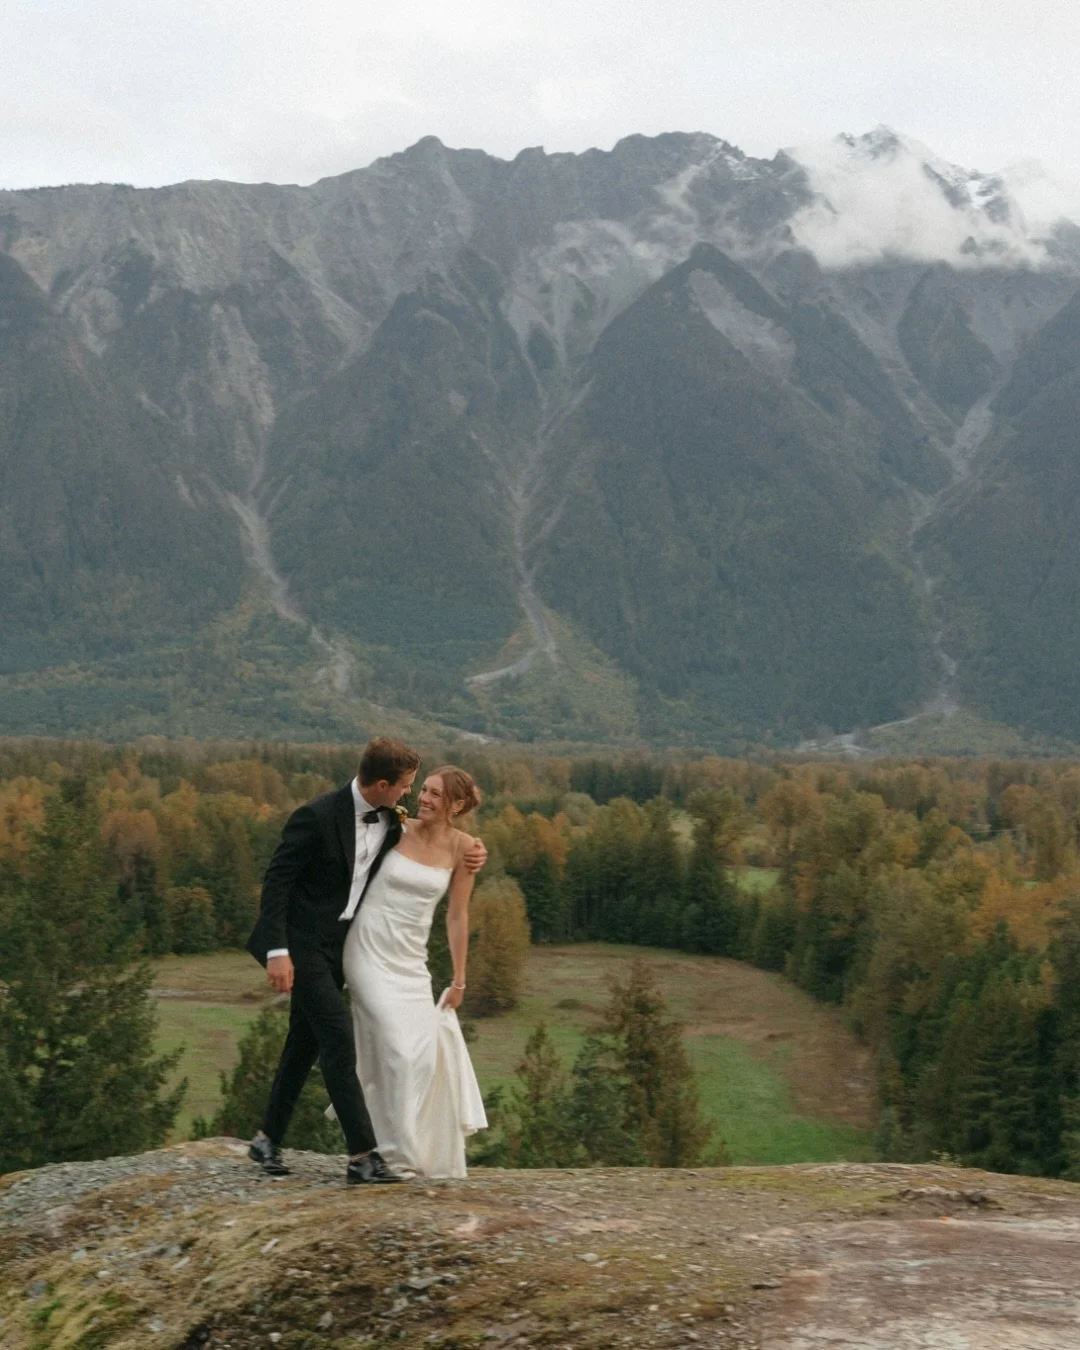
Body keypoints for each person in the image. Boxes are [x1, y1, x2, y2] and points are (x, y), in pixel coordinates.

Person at [245, 737, 486, 1183]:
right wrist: (277, 951)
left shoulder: (395, 823)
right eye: (409, 787)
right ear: (380, 784)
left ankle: (266, 1139)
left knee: (303, 1042)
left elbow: (447, 880)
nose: (411, 796)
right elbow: (276, 882)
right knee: (338, 1037)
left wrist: (472, 850)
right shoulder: (316, 816)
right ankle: (363, 1157)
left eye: (426, 790)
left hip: (347, 945)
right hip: (305, 946)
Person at [343, 765, 487, 1178]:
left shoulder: (465, 849)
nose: (422, 798)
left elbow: (457, 916)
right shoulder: (394, 827)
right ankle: (394, 1159)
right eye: (422, 790)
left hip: (411, 963)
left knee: (421, 1059)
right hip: (367, 949)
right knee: (398, 1051)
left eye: (434, 794)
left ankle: (403, 1150)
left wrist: (459, 979)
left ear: (455, 805)